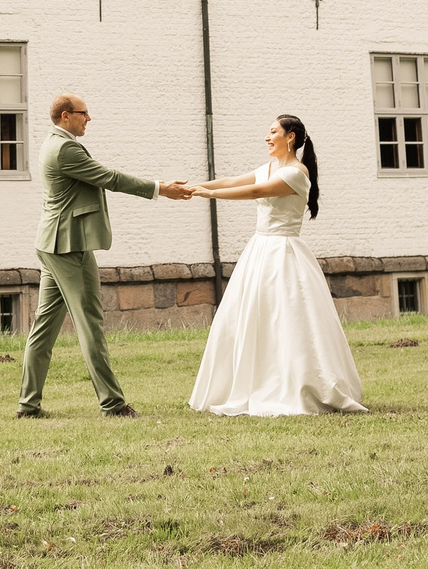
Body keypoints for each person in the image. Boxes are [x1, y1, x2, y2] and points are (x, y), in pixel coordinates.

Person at [19, 93, 193, 418]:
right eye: (84, 114)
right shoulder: (66, 148)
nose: (89, 119)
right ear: (67, 115)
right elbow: (109, 178)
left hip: (50, 243)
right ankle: (112, 404)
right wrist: (160, 188)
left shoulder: (51, 143)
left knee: (43, 327)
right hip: (69, 247)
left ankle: (28, 405)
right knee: (90, 324)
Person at [185, 114, 366, 415]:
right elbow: (233, 181)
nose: (267, 138)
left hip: (284, 253)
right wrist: (193, 187)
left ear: (290, 137)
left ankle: (294, 384)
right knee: (252, 316)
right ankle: (249, 382)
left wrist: (210, 194)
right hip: (259, 251)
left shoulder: (296, 172)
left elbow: (256, 192)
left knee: (288, 318)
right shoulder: (270, 168)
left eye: (272, 132)